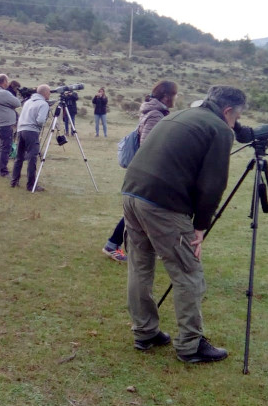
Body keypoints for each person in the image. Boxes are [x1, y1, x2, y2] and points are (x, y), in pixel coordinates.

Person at [121, 85, 246, 363]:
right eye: (236, 118)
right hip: (162, 203)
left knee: (140, 265)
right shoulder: (220, 129)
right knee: (188, 271)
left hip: (132, 192)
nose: (235, 124)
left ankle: (145, 332)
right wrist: (200, 227)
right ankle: (190, 345)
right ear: (228, 112)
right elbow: (212, 185)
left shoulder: (178, 116)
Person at [102, 81, 179, 262]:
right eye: (175, 95)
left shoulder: (155, 112)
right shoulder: (155, 115)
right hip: (148, 173)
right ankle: (113, 245)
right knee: (144, 211)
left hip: (147, 172)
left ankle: (116, 245)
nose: (176, 98)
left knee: (142, 211)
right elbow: (148, 147)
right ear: (167, 96)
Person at [11, 85, 51, 191]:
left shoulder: (28, 101)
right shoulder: (43, 104)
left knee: (19, 157)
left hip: (21, 130)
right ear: (45, 93)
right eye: (49, 92)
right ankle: (31, 185)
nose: (50, 94)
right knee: (32, 158)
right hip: (32, 132)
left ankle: (14, 181)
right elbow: (41, 120)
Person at [0, 74, 21, 177]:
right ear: (4, 82)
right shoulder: (3, 93)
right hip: (5, 124)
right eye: (7, 81)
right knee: (5, 148)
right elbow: (17, 103)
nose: (8, 83)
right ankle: (3, 171)